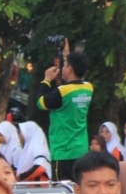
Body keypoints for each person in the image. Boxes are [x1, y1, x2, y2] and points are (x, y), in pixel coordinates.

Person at [38, 50, 93, 181]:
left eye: (64, 65)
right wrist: (66, 55)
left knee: (62, 192)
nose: (62, 68)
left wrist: (46, 80)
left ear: (69, 69)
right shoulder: (89, 88)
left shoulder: (62, 92)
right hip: (81, 151)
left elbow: (40, 103)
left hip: (62, 152)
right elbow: (71, 87)